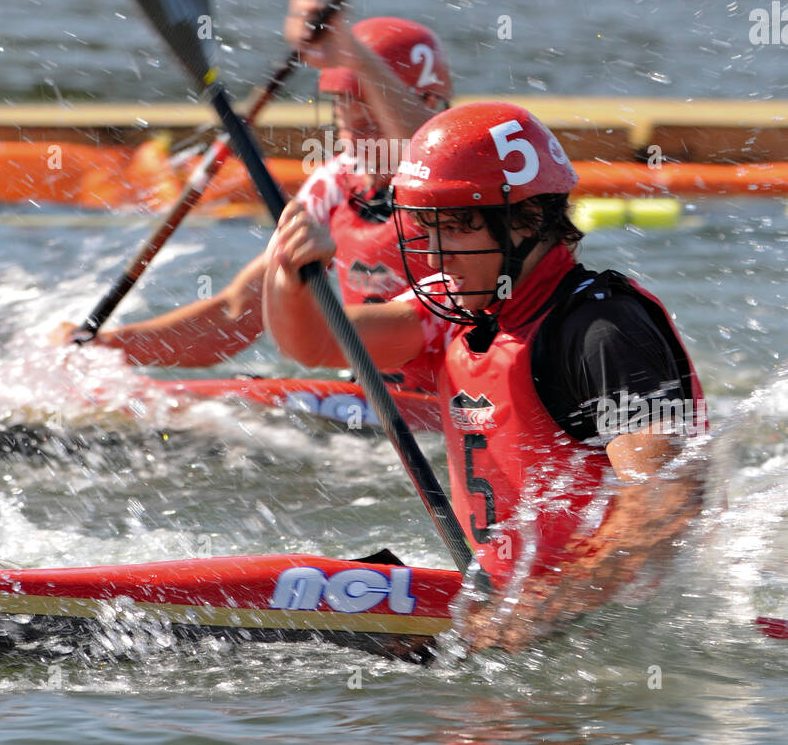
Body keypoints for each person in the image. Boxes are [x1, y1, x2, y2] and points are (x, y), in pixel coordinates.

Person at [263, 101, 707, 652]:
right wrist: (288, 272)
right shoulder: (457, 311)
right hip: (510, 610)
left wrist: (542, 611)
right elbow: (312, 342)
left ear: (528, 221)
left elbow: (667, 506)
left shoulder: (601, 330)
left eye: (456, 228)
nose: (434, 255)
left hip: (611, 633)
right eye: (428, 228)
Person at [53, 0, 451, 388]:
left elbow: (428, 156)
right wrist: (110, 348)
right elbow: (236, 314)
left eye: (370, 115)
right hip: (373, 395)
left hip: (456, 402)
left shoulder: (460, 185)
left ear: (432, 106)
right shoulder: (332, 185)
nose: (353, 130)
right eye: (344, 111)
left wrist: (355, 55)